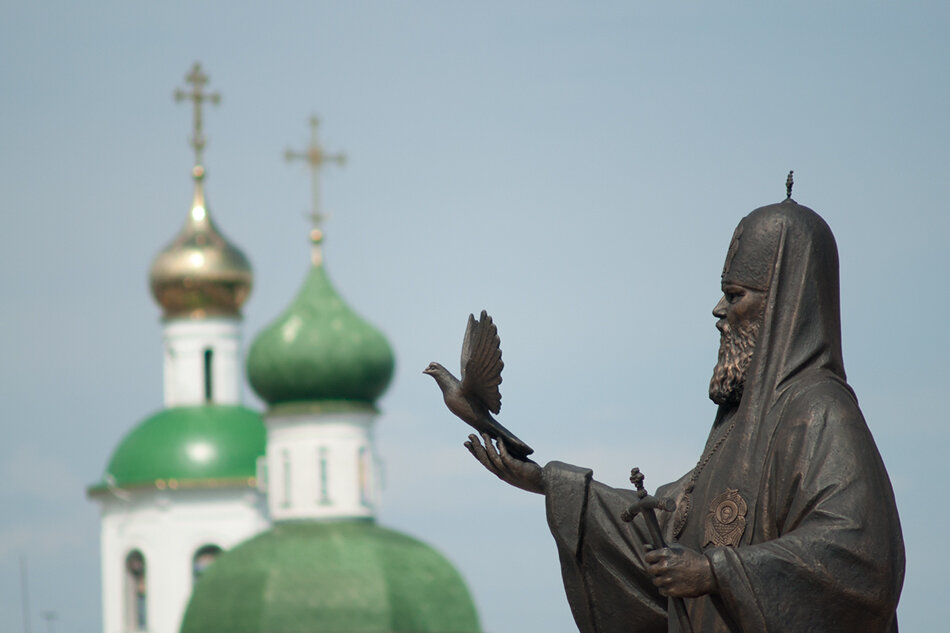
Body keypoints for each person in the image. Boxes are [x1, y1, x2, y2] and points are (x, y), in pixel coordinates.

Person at [466, 198, 905, 633]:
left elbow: (860, 559)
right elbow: (670, 525)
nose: (719, 311)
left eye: (735, 296)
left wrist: (714, 572)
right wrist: (550, 483)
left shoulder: (820, 410)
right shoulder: (737, 424)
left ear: (783, 308)